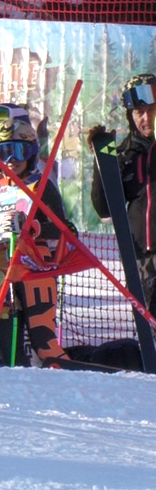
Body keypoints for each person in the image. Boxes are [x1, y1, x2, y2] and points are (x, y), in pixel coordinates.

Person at [0, 103, 70, 365]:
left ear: (31, 152)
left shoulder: (40, 186)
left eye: (18, 151)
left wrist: (32, 227)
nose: (11, 159)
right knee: (7, 341)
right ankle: (15, 380)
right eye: (3, 152)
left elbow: (65, 230)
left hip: (37, 267)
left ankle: (65, 376)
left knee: (42, 340)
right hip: (4, 268)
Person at [89, 74, 155, 313]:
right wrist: (102, 160)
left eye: (151, 110)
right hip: (141, 259)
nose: (146, 118)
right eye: (139, 112)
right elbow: (105, 210)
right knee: (149, 327)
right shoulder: (125, 154)